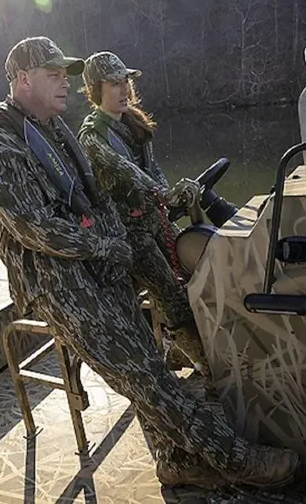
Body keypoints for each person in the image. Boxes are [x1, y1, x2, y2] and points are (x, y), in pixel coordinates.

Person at [0, 35, 299, 490]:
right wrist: (107, 246)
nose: (65, 83)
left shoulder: (51, 128)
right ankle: (236, 459)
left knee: (147, 362)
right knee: (144, 374)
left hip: (96, 266)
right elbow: (34, 228)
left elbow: (96, 196)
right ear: (23, 80)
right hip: (56, 285)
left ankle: (172, 460)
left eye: (66, 74)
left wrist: (115, 245)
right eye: (54, 74)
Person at [76, 51, 208, 377]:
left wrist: (173, 194)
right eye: (114, 84)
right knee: (171, 297)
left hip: (153, 218)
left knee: (199, 270)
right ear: (95, 89)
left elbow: (152, 169)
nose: (124, 90)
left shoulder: (134, 123)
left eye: (126, 82)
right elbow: (125, 170)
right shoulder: (92, 135)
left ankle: (178, 351)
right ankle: (209, 371)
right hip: (128, 232)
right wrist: (163, 193)